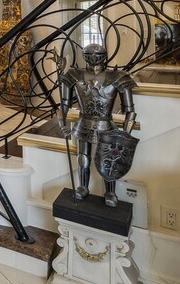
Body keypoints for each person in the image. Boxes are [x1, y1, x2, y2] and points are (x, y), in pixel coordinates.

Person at [59, 43, 137, 206]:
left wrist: (125, 134)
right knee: (83, 158)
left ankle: (110, 192)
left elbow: (130, 110)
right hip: (83, 122)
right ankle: (83, 187)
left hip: (106, 123)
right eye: (90, 55)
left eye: (98, 55)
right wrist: (62, 123)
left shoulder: (118, 76)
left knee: (111, 159)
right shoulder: (74, 75)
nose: (94, 58)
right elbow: (64, 103)